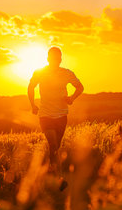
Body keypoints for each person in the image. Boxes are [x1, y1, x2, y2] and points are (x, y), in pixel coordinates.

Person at [28, 46, 84, 191]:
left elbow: (80, 87)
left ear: (60, 59)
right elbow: (31, 86)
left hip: (61, 116)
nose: (55, 60)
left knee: (55, 148)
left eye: (57, 58)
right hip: (45, 115)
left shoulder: (66, 73)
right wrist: (33, 104)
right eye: (52, 58)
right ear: (47, 59)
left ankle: (48, 172)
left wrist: (71, 98)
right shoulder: (40, 72)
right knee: (53, 144)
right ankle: (59, 179)